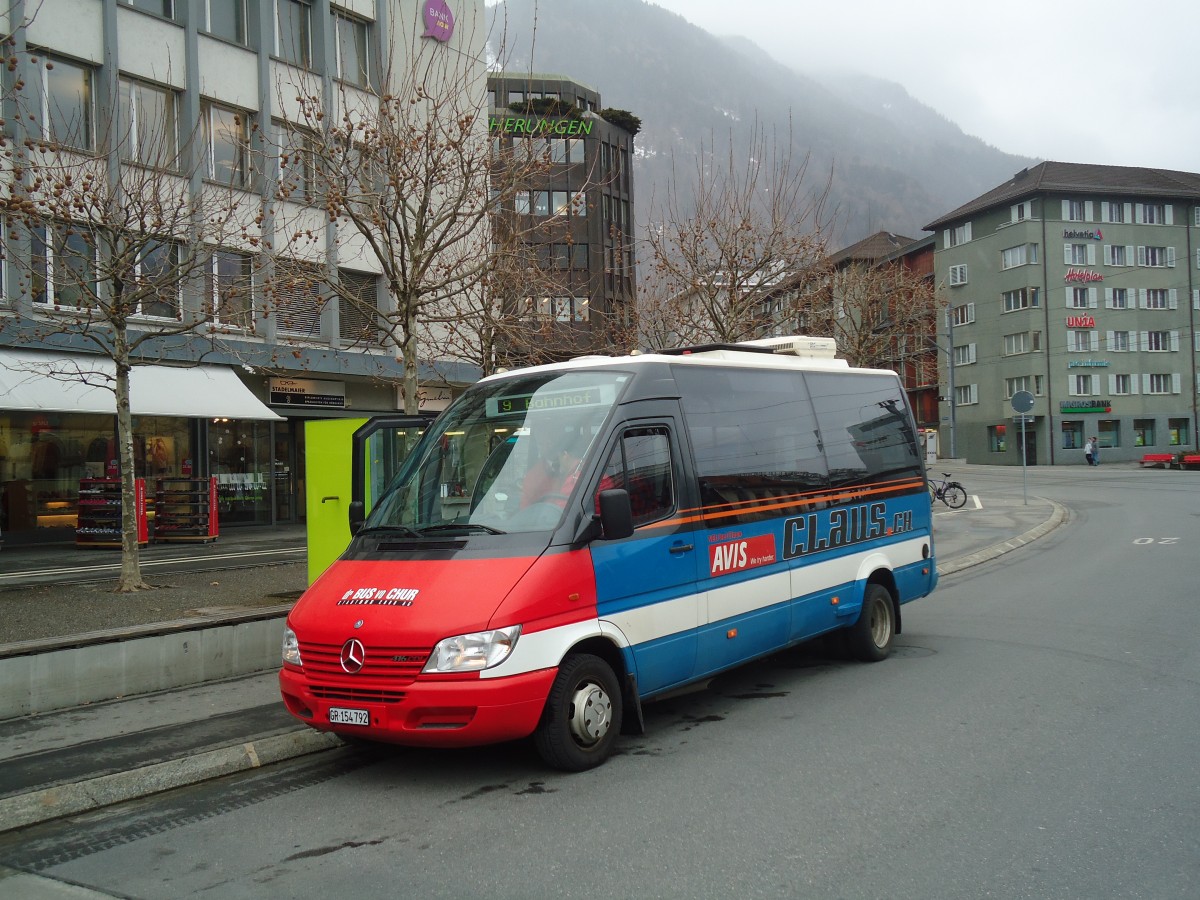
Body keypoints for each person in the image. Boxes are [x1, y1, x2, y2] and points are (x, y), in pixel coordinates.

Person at [521, 427, 586, 508]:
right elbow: (525, 506)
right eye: (542, 443)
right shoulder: (534, 475)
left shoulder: (575, 478)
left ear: (565, 455)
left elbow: (563, 513)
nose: (548, 446)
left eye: (551, 442)